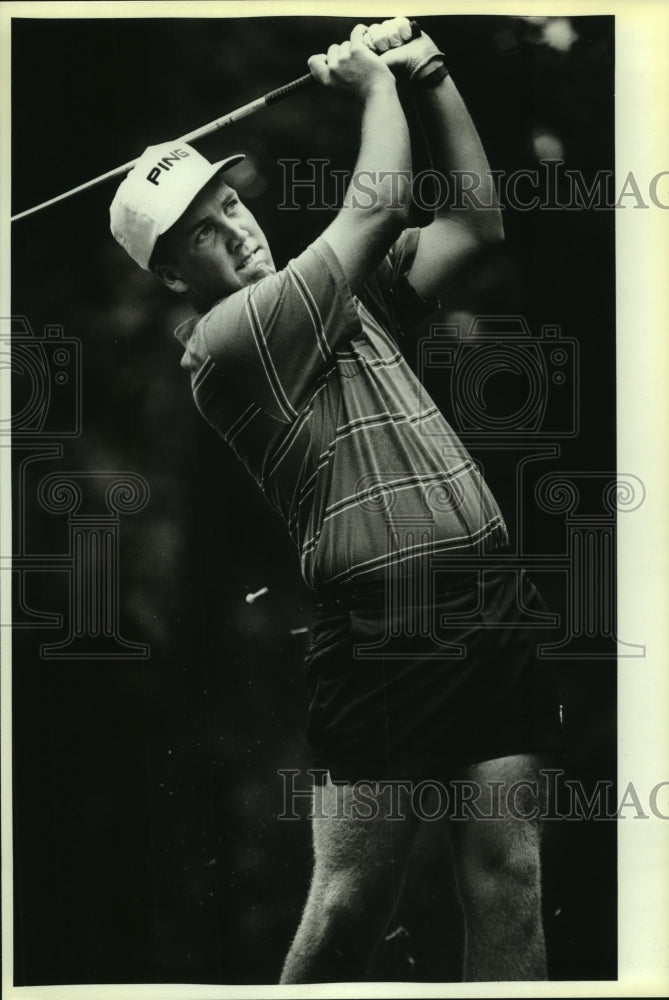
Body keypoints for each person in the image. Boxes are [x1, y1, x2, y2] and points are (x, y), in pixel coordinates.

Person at [110, 17, 563, 983]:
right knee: (353, 905)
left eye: (230, 205)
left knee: (509, 878)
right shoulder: (231, 341)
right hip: (385, 633)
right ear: (170, 274)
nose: (235, 229)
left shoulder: (344, 301)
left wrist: (427, 71)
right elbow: (380, 201)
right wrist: (370, 87)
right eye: (201, 231)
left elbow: (477, 222)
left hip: (487, 599)